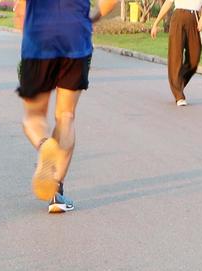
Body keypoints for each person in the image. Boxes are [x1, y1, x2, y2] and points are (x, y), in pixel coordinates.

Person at [18, 0, 121, 213]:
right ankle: (56, 193)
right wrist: (93, 17)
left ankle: (44, 145)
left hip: (39, 37)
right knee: (66, 116)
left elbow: (20, 9)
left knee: (33, 117)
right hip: (76, 37)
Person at [149, 0, 202, 105]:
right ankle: (179, 95)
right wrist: (156, 23)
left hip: (194, 18)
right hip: (178, 17)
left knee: (194, 58)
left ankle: (178, 83)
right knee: (175, 56)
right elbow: (168, 3)